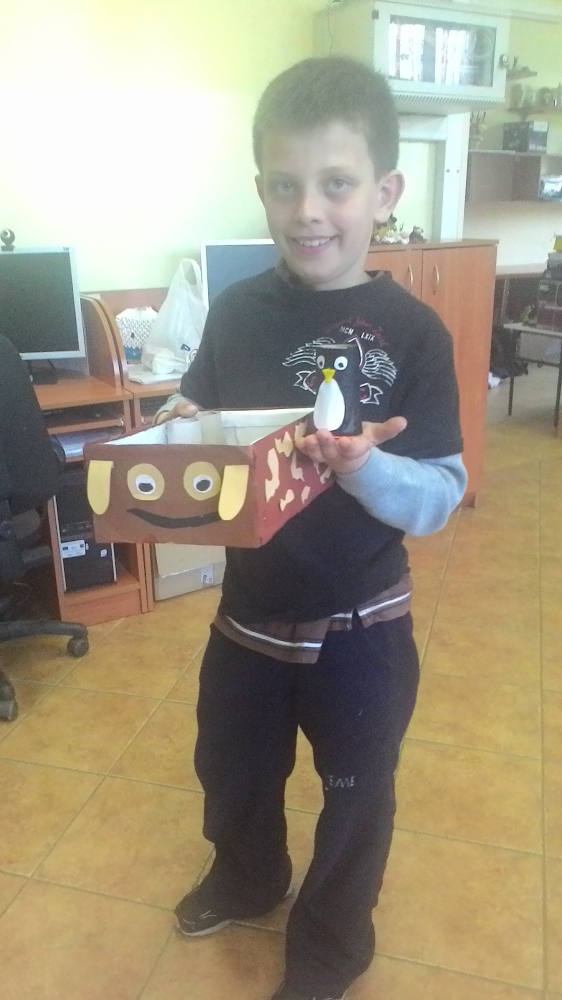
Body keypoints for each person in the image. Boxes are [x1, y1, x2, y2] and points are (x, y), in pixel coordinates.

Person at [156, 56, 467, 1000]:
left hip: (361, 626)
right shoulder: (238, 313)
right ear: (262, 189)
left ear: (385, 192)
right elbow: (197, 419)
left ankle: (332, 945)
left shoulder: (416, 332)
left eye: (337, 184)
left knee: (356, 794)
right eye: (286, 186)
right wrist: (166, 431)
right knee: (232, 769)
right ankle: (248, 876)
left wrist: (365, 466)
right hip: (248, 615)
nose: (309, 211)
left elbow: (438, 497)